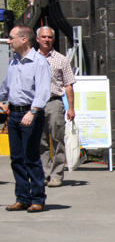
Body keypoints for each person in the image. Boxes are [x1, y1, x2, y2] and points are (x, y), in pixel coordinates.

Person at [0, 26, 51, 212]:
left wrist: (32, 111)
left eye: (11, 37)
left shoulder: (39, 62)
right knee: (17, 158)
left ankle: (37, 198)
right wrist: (1, 100)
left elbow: (43, 90)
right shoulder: (15, 61)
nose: (8, 41)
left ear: (23, 40)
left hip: (31, 113)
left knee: (31, 157)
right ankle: (22, 197)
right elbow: (6, 85)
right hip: (13, 114)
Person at [36, 26, 77, 188]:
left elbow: (68, 85)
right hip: (36, 105)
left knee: (57, 139)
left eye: (50, 37)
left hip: (54, 102)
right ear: (38, 39)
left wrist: (71, 108)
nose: (47, 40)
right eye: (44, 37)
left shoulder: (61, 59)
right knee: (40, 142)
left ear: (53, 39)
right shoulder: (31, 58)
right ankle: (44, 173)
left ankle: (57, 174)